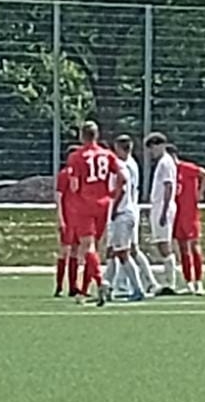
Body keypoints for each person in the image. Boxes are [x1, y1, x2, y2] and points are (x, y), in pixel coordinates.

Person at [64, 121, 124, 307]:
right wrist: (113, 194)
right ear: (97, 135)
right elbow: (122, 178)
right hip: (103, 204)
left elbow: (74, 185)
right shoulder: (108, 155)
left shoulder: (76, 156)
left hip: (85, 204)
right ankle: (83, 291)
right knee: (94, 249)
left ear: (81, 136)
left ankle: (100, 281)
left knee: (87, 247)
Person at [106, 135, 151, 302]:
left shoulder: (121, 165)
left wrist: (114, 208)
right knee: (113, 252)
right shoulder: (131, 163)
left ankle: (138, 288)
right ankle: (107, 287)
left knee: (123, 253)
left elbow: (122, 186)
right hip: (129, 210)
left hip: (123, 212)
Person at [144, 132, 187, 295]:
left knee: (164, 244)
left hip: (163, 206)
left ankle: (171, 281)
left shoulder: (166, 163)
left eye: (152, 148)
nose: (151, 152)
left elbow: (168, 186)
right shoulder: (163, 162)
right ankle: (170, 279)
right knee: (160, 244)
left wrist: (164, 211)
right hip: (159, 205)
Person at [173, 148, 205, 297]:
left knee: (195, 246)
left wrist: (200, 193)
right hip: (177, 213)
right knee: (183, 248)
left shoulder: (186, 168)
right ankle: (188, 282)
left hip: (190, 213)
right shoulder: (168, 171)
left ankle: (199, 282)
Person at [55, 151, 80, 297]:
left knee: (75, 250)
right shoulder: (64, 174)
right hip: (68, 217)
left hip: (79, 218)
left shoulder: (81, 174)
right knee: (64, 251)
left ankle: (73, 286)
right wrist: (60, 217)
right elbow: (59, 197)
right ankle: (59, 286)